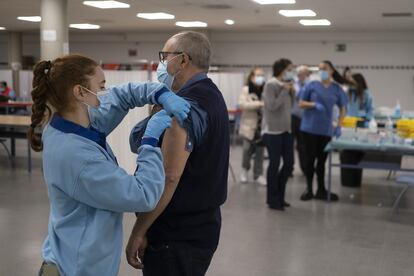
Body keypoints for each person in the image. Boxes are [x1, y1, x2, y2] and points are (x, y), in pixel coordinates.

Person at [30, 54, 190, 276]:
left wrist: (159, 93)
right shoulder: (77, 157)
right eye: (101, 86)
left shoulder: (72, 122)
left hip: (70, 252)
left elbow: (122, 96)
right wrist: (150, 142)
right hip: (78, 267)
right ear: (80, 92)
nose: (106, 91)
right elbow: (143, 195)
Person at [126, 31, 230, 276]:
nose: (161, 64)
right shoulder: (212, 95)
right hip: (203, 224)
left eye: (165, 56)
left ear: (183, 60)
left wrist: (138, 231)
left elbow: (169, 176)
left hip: (176, 233)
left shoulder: (183, 109)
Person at [299, 60, 347, 202]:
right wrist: (313, 104)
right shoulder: (311, 85)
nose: (322, 71)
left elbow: (343, 107)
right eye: (320, 69)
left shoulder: (337, 89)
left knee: (322, 161)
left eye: (324, 68)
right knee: (310, 160)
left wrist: (339, 124)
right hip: (309, 129)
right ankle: (308, 189)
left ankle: (321, 189)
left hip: (325, 130)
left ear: (332, 70)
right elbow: (301, 103)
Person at [261, 58, 295, 210]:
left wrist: (290, 91)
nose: (291, 71)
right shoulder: (271, 84)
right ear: (282, 69)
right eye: (289, 69)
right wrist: (284, 92)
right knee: (274, 164)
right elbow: (272, 106)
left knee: (289, 164)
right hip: (272, 131)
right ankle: (272, 199)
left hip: (286, 130)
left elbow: (289, 107)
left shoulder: (285, 85)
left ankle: (280, 196)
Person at [238, 67, 266, 185]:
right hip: (249, 125)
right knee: (246, 150)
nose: (260, 78)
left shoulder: (265, 90)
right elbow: (242, 104)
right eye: (258, 75)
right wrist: (259, 104)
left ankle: (258, 174)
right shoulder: (246, 90)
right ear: (252, 77)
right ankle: (244, 171)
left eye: (262, 75)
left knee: (260, 151)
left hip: (262, 126)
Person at [291, 65, 310, 176]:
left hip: (304, 118)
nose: (300, 76)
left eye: (303, 73)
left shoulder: (310, 84)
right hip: (292, 117)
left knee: (302, 146)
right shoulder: (293, 84)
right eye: (299, 74)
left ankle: (305, 168)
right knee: (289, 144)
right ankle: (290, 168)